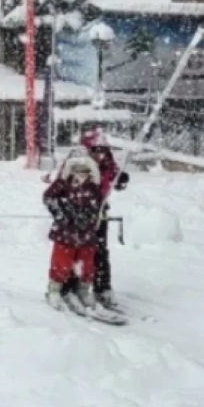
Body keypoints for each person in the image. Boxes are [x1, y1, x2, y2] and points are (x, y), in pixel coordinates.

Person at [73, 128, 130, 308]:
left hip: (100, 211)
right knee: (78, 251)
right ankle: (73, 287)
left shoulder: (108, 165)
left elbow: (115, 179)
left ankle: (102, 288)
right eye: (96, 151)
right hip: (79, 211)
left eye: (103, 151)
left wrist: (121, 179)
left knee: (100, 251)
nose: (100, 155)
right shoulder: (80, 164)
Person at [43, 154, 105, 309]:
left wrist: (88, 217)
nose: (81, 173)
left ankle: (83, 290)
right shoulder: (63, 184)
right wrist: (62, 214)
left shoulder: (94, 188)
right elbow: (48, 198)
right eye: (78, 170)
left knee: (86, 264)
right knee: (61, 262)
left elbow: (96, 207)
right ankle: (54, 290)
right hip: (65, 233)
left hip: (86, 234)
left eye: (85, 170)